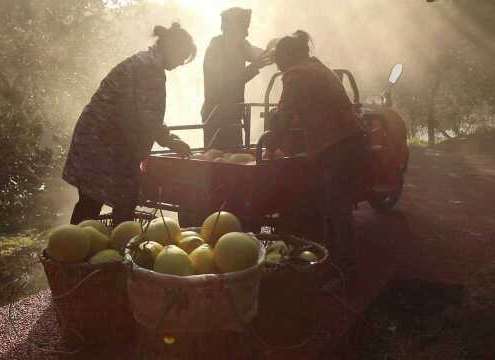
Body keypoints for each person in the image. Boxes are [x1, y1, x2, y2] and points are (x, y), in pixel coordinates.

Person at [63, 23, 195, 225]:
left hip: (101, 138)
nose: (180, 64)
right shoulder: (149, 68)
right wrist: (171, 140)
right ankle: (90, 249)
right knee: (105, 199)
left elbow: (144, 113)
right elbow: (149, 116)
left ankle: (89, 247)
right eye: (181, 57)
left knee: (98, 198)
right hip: (101, 141)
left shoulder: (144, 61)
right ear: (172, 49)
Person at [269, 31, 367, 285]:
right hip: (351, 140)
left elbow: (282, 115)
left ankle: (346, 273)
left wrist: (271, 145)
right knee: (333, 207)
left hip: (338, 146)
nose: (278, 66)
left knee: (337, 211)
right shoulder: (316, 66)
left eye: (278, 59)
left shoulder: (296, 74)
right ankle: (331, 263)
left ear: (288, 56)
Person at [201, 7, 274, 149]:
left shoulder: (240, 45)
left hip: (234, 113)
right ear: (231, 28)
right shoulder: (215, 49)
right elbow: (223, 85)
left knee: (234, 156)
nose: (247, 34)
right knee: (218, 159)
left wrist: (280, 51)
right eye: (244, 28)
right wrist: (254, 67)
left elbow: (261, 55)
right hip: (216, 115)